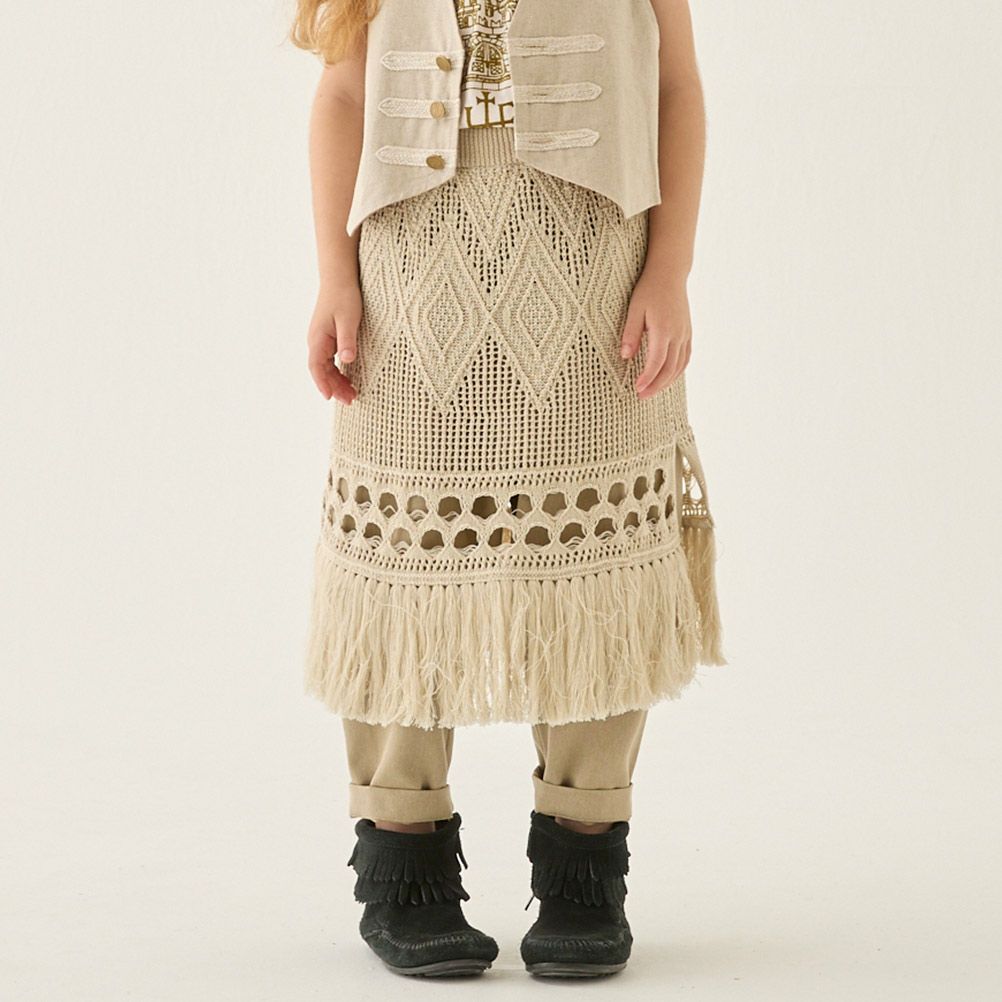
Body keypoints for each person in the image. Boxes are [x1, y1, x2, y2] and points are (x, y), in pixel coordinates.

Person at [290, 0, 726, 979]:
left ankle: (584, 864)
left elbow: (675, 84)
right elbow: (344, 92)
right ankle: (403, 859)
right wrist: (333, 276)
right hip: (410, 268)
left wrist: (670, 270)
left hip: (595, 266)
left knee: (595, 561)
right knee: (407, 552)